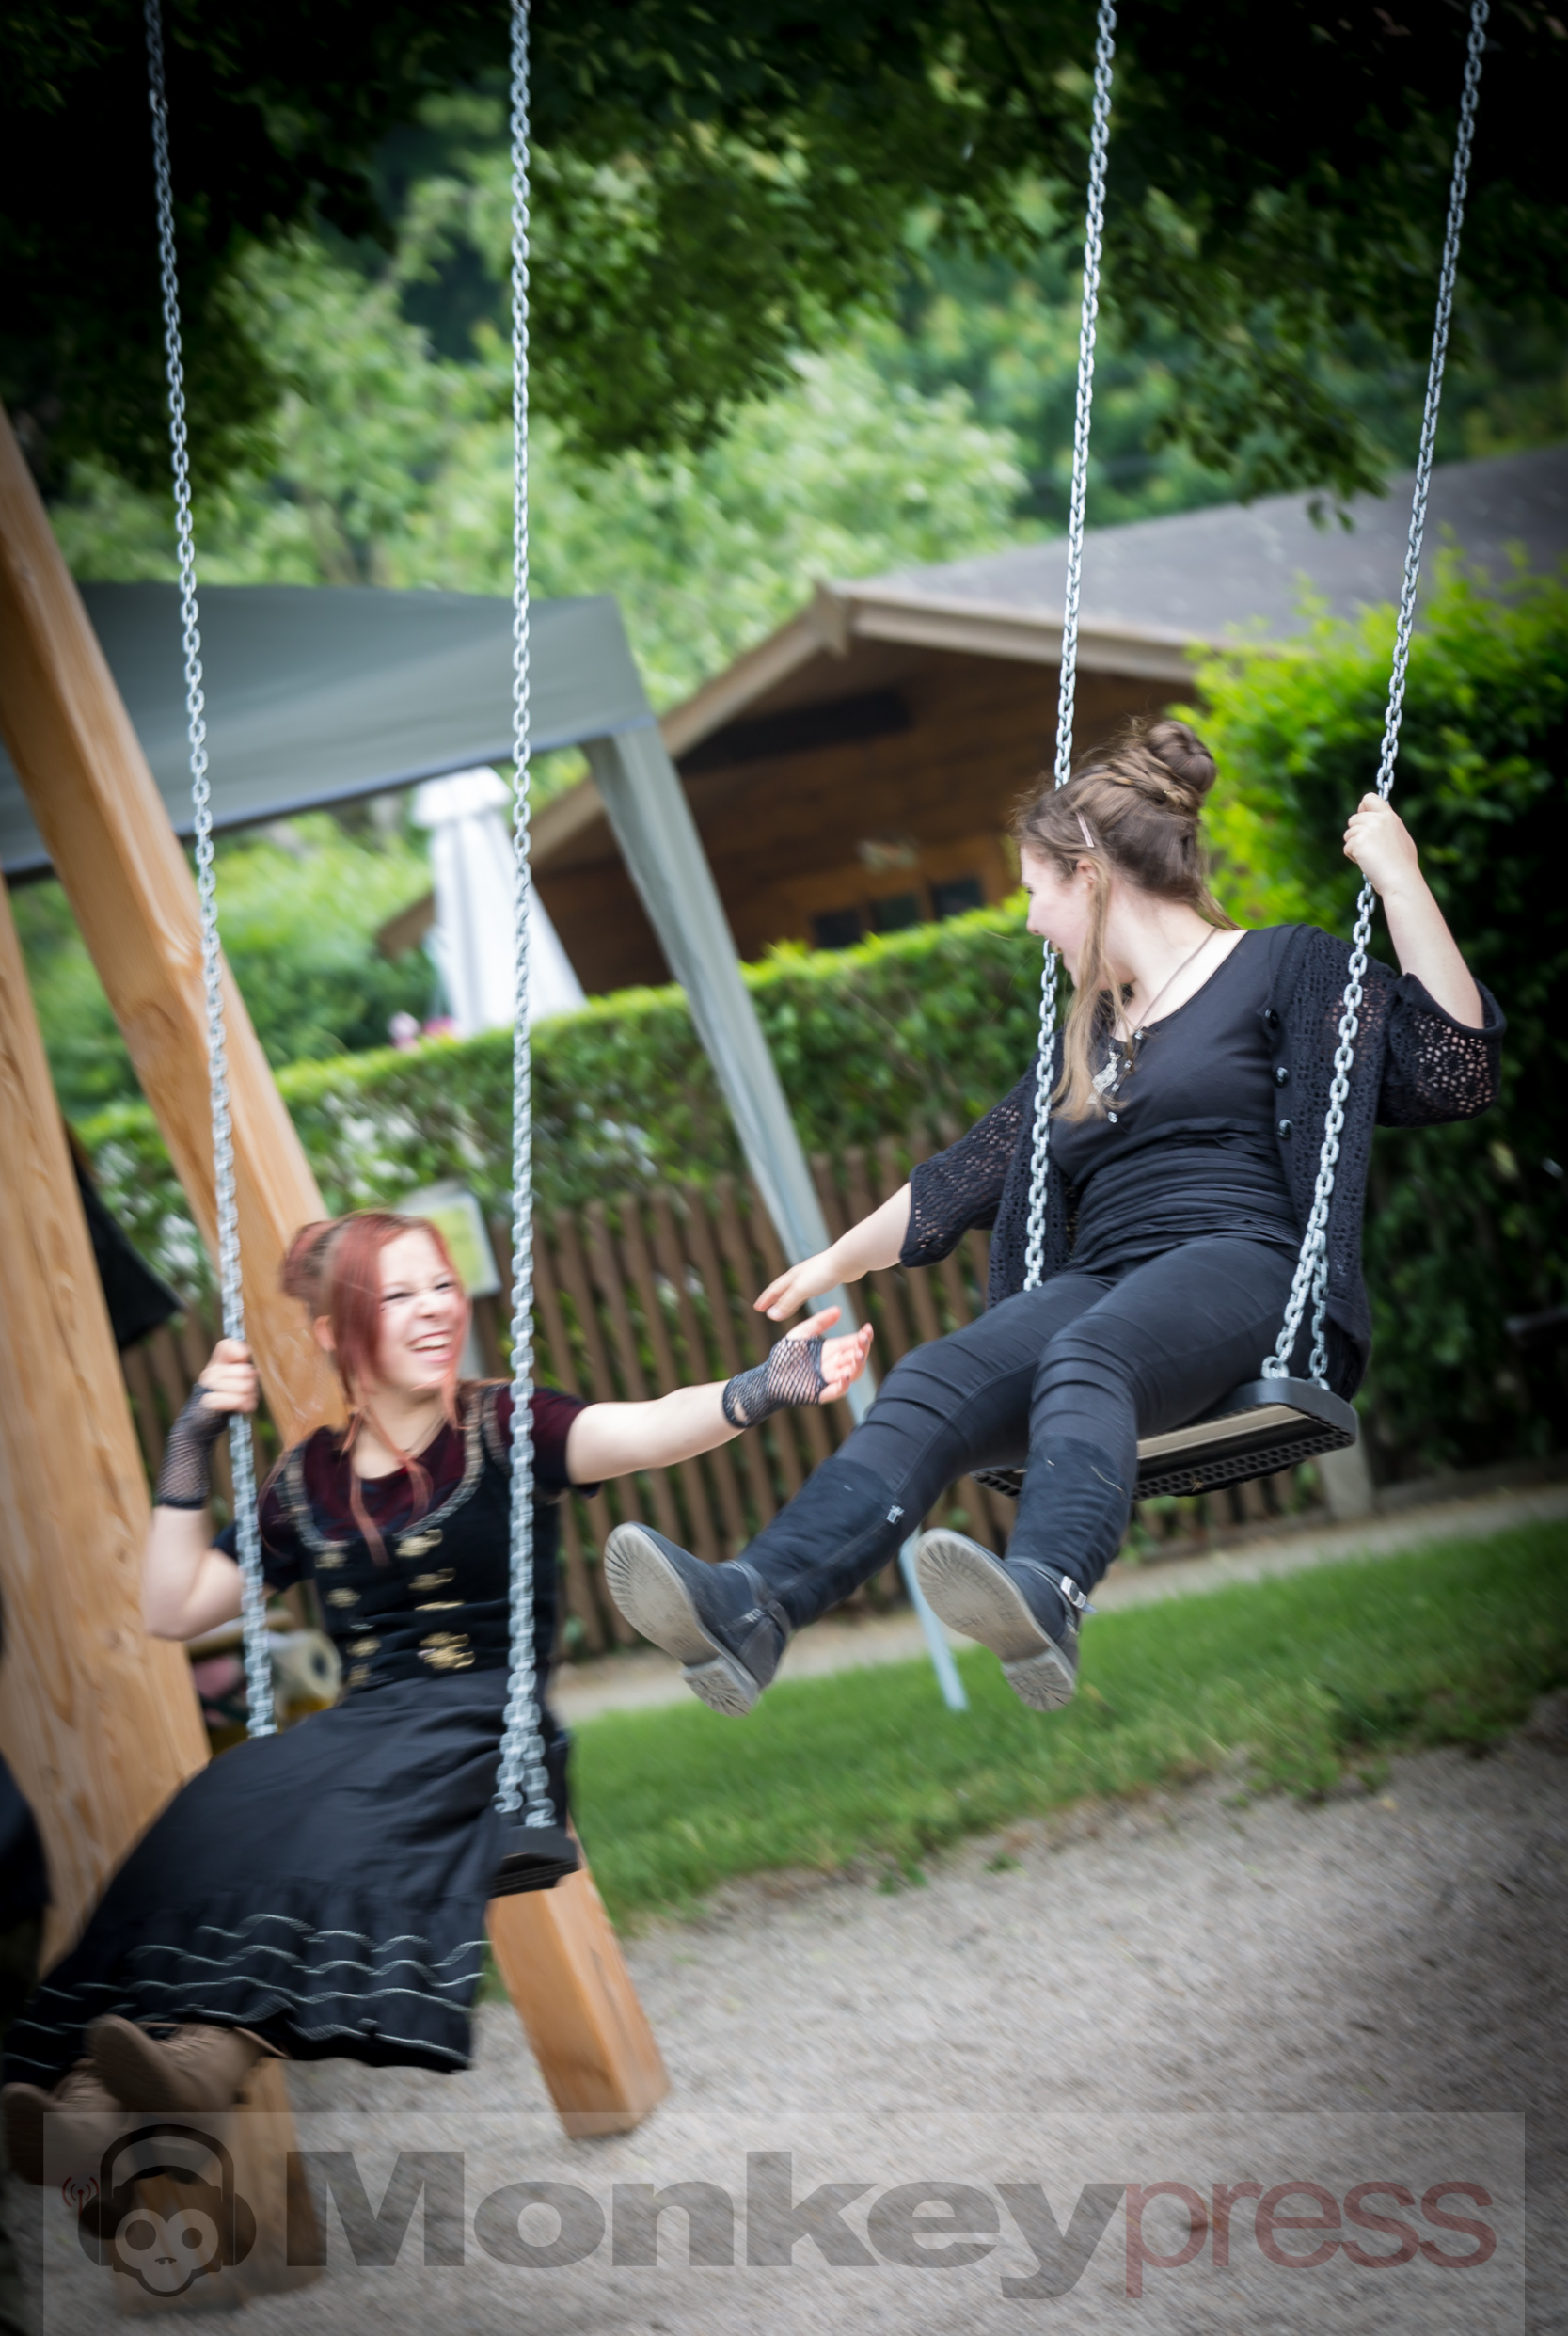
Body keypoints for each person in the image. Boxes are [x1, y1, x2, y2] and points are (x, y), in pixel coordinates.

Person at [602, 720, 1504, 1717]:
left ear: (1089, 875)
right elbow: (962, 1178)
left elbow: (1452, 1070)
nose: (1030, 919)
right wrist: (835, 1262)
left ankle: (1047, 1588)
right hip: (1106, 1281)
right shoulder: (1090, 1034)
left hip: (1245, 1268)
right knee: (939, 1373)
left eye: (1034, 889)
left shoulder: (1284, 966)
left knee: (1088, 1354)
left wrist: (1398, 877)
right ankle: (752, 1603)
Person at [1, 1207, 870, 2181]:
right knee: (211, 1811)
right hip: (367, 1727)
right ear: (335, 1333)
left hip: (480, 1727)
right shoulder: (309, 1481)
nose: (433, 1311)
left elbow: (643, 1429)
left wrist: (762, 1386)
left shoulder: (503, 1424)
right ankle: (87, 2098)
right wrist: (191, 1442)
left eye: (442, 1287)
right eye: (398, 1294)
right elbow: (173, 1604)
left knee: (343, 1812)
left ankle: (206, 2058)